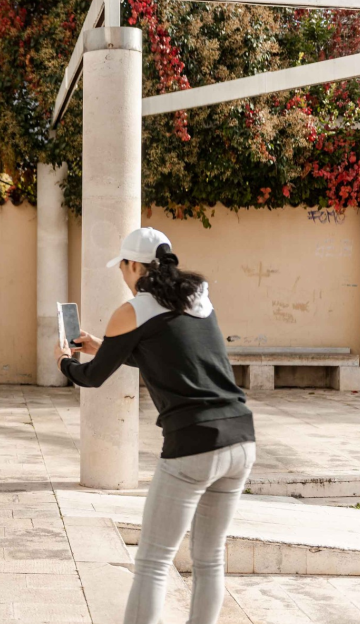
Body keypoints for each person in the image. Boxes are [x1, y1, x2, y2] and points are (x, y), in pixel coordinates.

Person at [56, 227, 255, 624]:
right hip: (240, 437)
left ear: (133, 265)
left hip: (193, 444)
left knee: (152, 562)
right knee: (210, 559)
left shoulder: (131, 310)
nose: (122, 274)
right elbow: (169, 353)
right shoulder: (198, 298)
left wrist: (64, 362)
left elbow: (92, 377)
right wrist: (103, 346)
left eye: (122, 266)